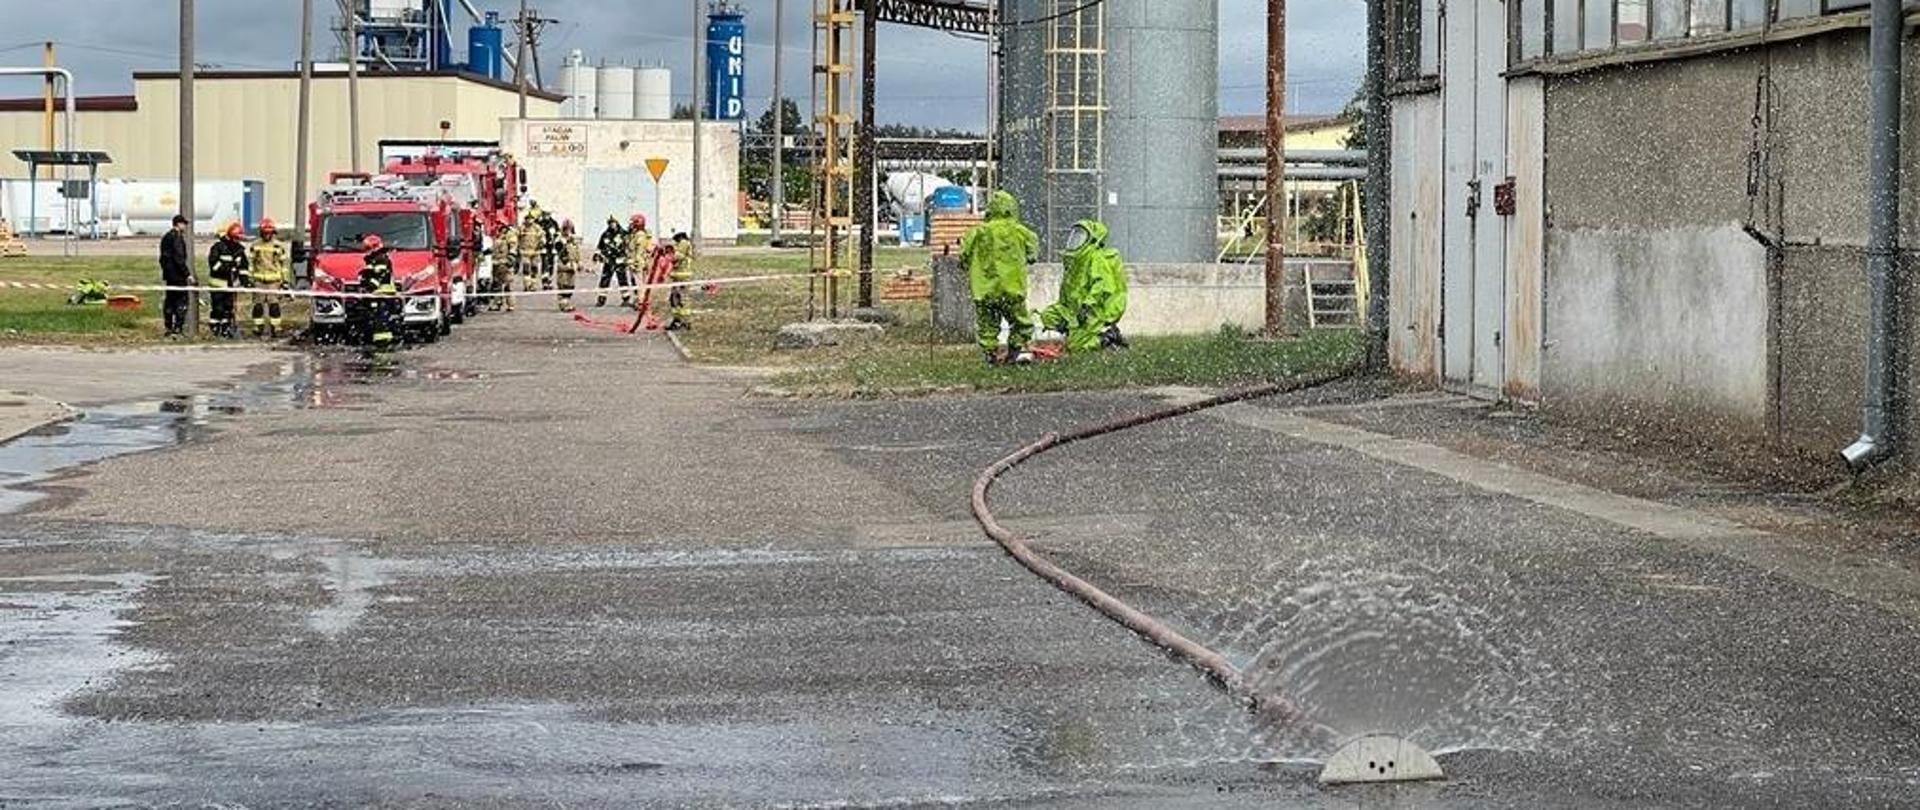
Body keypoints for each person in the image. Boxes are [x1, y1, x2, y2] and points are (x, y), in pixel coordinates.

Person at [959, 190, 1040, 364]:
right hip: (1011, 289)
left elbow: (963, 256)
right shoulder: (1020, 231)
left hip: (984, 290)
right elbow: (1033, 253)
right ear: (1011, 210)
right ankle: (1014, 354)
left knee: (987, 325)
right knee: (1021, 323)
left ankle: (990, 356)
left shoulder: (977, 232)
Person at [1039, 219, 1130, 353]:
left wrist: (1087, 306)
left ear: (1092, 240)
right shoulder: (1076, 260)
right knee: (1048, 316)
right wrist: (1063, 312)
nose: (1075, 240)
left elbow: (1102, 286)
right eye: (1075, 236)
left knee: (1076, 347)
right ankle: (1075, 332)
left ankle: (1107, 337)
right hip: (1073, 308)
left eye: (1080, 237)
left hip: (1092, 310)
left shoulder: (1095, 257)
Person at [246, 218, 291, 338]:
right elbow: (251, 263)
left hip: (274, 281)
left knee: (274, 305)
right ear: (261, 232)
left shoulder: (278, 246)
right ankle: (258, 327)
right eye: (265, 233)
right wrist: (250, 279)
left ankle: (276, 327)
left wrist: (285, 281)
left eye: (269, 233)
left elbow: (283, 265)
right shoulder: (255, 245)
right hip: (259, 280)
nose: (267, 235)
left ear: (273, 233)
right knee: (258, 305)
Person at [206, 221, 250, 338]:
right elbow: (214, 265)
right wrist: (228, 267)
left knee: (228, 308)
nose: (237, 240)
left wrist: (245, 281)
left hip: (231, 285)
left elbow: (244, 267)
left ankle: (226, 328)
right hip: (218, 284)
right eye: (236, 238)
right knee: (218, 308)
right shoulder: (218, 247)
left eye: (239, 238)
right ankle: (215, 328)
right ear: (230, 236)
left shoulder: (239, 250)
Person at [358, 234, 399, 348]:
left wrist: (369, 286)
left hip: (384, 296)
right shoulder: (374, 260)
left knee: (381, 322)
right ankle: (376, 343)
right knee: (375, 321)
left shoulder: (381, 259)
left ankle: (382, 345)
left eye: (367, 249)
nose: (365, 251)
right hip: (377, 296)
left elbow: (379, 276)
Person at [158, 214, 193, 337]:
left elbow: (162, 258)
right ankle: (178, 328)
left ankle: (168, 327)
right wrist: (187, 274)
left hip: (169, 275)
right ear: (178, 224)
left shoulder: (166, 237)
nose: (185, 226)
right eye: (184, 224)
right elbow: (179, 258)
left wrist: (166, 270)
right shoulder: (177, 238)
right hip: (178, 276)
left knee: (169, 301)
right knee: (181, 302)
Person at [618, 213, 654, 309]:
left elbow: (639, 251)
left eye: (632, 223)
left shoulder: (640, 236)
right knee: (637, 283)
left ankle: (641, 302)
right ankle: (639, 299)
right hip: (635, 263)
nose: (630, 225)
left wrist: (635, 263)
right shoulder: (634, 235)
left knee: (639, 284)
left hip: (638, 264)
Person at [664, 231, 694, 331]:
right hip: (678, 277)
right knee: (674, 299)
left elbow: (677, 256)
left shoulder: (684, 243)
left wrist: (669, 252)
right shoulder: (680, 244)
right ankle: (677, 321)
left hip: (683, 277)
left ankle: (684, 322)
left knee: (681, 300)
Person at [518, 207, 547, 296]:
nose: (529, 221)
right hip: (525, 251)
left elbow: (542, 236)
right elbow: (516, 236)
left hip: (535, 251)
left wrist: (542, 242)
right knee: (526, 268)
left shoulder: (537, 228)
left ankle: (533, 285)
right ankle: (527, 285)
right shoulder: (522, 228)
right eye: (528, 219)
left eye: (531, 219)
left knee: (534, 268)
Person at [491, 220, 519, 312]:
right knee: (497, 285)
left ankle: (510, 304)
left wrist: (510, 260)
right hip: (496, 263)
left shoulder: (510, 235)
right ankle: (497, 303)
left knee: (508, 285)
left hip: (505, 263)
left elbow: (513, 248)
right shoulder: (497, 235)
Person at [555, 219, 580, 312]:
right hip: (563, 266)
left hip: (572, 266)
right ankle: (563, 305)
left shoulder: (573, 240)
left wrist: (579, 262)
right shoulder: (559, 239)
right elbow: (560, 252)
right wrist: (567, 262)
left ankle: (568, 303)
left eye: (570, 229)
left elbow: (577, 252)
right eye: (567, 229)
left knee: (571, 286)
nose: (568, 231)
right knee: (563, 285)